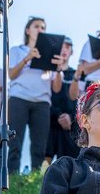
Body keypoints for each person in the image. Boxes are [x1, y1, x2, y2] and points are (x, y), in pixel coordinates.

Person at [8, 17, 63, 172]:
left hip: (42, 102)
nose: (40, 30)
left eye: (43, 27)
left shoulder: (50, 53)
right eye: (36, 26)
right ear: (28, 30)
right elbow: (11, 74)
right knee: (14, 143)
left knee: (39, 146)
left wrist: (59, 69)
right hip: (19, 99)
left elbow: (56, 88)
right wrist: (27, 58)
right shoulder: (17, 50)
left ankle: (36, 181)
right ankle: (11, 180)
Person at [45, 38, 80, 164]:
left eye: (68, 47)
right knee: (44, 162)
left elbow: (82, 101)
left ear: (72, 52)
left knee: (69, 165)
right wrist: (59, 115)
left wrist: (70, 117)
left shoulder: (77, 74)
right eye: (62, 47)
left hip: (71, 126)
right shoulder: (47, 72)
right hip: (49, 123)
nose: (64, 50)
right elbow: (42, 97)